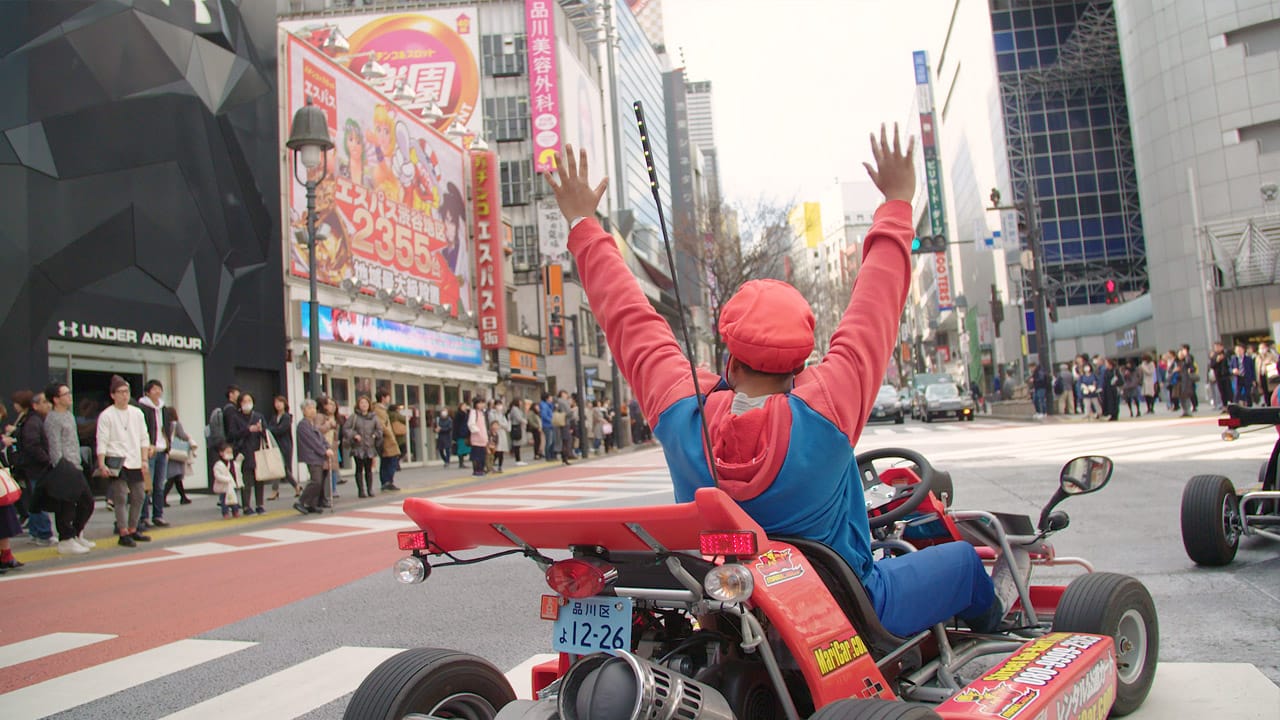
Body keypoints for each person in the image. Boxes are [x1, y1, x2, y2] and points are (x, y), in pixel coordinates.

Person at [544, 133, 1013, 637]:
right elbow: (876, 303)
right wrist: (897, 202)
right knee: (963, 561)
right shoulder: (827, 406)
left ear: (729, 358)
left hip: (726, 614)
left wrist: (583, 224)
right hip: (850, 613)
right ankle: (998, 634)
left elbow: (630, 319)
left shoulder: (683, 413)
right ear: (802, 365)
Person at [96, 376, 151, 546]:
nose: (124, 395)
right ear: (113, 395)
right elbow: (102, 440)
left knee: (139, 495)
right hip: (116, 459)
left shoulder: (137, 413)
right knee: (120, 497)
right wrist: (101, 463)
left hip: (135, 459)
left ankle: (134, 528)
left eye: (126, 392)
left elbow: (144, 437)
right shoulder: (107, 415)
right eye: (120, 392)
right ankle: (122, 531)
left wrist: (144, 459)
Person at [43, 383, 95, 554]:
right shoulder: (52, 419)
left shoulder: (68, 415)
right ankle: (66, 539)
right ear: (56, 399)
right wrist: (61, 467)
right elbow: (54, 446)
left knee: (87, 502)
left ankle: (76, 533)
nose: (69, 396)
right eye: (65, 394)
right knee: (66, 505)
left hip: (76, 465)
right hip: (65, 468)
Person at [10, 391, 54, 546]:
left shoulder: (29, 420)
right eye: (43, 401)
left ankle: (38, 532)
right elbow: (33, 444)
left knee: (35, 499)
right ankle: (43, 532)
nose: (47, 405)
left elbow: (30, 443)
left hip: (31, 466)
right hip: (36, 467)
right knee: (38, 499)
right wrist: (47, 460)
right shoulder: (33, 421)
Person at [136, 380, 171, 529]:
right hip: (149, 451)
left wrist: (168, 446)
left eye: (159, 389)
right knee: (147, 485)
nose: (158, 392)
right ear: (148, 392)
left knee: (159, 485)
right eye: (154, 389)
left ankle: (158, 515)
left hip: (162, 450)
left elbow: (167, 428)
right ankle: (144, 517)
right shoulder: (142, 408)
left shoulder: (163, 408)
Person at [225, 391, 267, 514]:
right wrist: (248, 430)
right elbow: (232, 435)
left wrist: (261, 429)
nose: (247, 404)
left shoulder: (258, 416)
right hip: (243, 451)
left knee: (260, 478)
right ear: (240, 404)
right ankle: (246, 506)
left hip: (258, 450)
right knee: (246, 479)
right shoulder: (236, 417)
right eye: (244, 401)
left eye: (249, 401)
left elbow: (266, 432)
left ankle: (260, 504)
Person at [294, 400, 333, 514]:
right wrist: (324, 450)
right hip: (311, 455)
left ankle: (312, 503)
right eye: (309, 408)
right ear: (303, 411)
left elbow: (321, 439)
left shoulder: (312, 424)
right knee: (316, 481)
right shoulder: (303, 425)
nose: (312, 411)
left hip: (318, 456)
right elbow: (313, 442)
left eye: (313, 408)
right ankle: (301, 501)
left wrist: (328, 447)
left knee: (319, 481)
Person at [344, 395, 381, 498]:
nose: (364, 405)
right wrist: (354, 435)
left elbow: (379, 430)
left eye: (366, 403)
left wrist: (375, 435)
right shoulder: (354, 417)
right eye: (361, 403)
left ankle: (370, 489)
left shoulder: (374, 418)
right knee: (359, 469)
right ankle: (361, 490)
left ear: (369, 405)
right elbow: (346, 428)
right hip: (358, 447)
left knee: (369, 469)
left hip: (370, 446)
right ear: (358, 405)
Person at [266, 395, 298, 500]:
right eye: (276, 403)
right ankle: (296, 487)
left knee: (283, 468)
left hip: (285, 445)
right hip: (275, 445)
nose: (278, 405)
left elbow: (281, 430)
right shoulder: (274, 417)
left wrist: (272, 429)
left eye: (280, 402)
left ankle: (278, 490)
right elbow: (269, 428)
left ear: (285, 404)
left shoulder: (287, 417)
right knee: (279, 468)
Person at [163, 406, 195, 506]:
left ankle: (183, 497)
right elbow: (181, 435)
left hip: (169, 451)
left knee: (177, 477)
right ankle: (162, 497)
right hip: (177, 453)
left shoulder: (164, 425)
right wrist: (188, 437)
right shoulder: (176, 424)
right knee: (174, 476)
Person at [210, 441, 243, 518]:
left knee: (234, 500)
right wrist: (226, 479)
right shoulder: (218, 464)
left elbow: (237, 471)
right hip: (223, 487)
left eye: (231, 452)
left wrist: (239, 461)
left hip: (231, 486)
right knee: (224, 501)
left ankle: (235, 512)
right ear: (221, 453)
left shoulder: (232, 463)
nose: (230, 454)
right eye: (227, 452)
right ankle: (225, 513)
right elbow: (217, 475)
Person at [467, 397, 489, 477]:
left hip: (483, 439)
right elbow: (471, 424)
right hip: (476, 438)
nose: (482, 405)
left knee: (482, 455)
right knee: (476, 456)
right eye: (480, 403)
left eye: (483, 403)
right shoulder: (473, 412)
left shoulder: (482, 413)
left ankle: (481, 469)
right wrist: (478, 431)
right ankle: (476, 470)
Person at [490, 399, 510, 473]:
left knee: (501, 451)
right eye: (498, 405)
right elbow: (494, 423)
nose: (499, 406)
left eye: (500, 404)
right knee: (495, 450)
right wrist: (500, 425)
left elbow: (506, 425)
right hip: (495, 433)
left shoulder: (502, 414)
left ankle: (500, 466)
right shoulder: (492, 413)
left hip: (502, 433)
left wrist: (501, 424)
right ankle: (490, 465)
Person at [507, 399, 528, 465]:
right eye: (520, 401)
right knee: (517, 444)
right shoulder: (515, 409)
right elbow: (518, 418)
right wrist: (525, 421)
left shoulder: (514, 409)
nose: (521, 403)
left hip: (516, 427)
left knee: (517, 444)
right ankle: (518, 460)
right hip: (516, 427)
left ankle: (518, 459)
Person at [452, 401, 471, 470]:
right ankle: (461, 463)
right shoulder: (459, 414)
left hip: (465, 433)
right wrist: (454, 436)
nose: (465, 407)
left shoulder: (466, 414)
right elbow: (456, 425)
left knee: (465, 448)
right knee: (461, 449)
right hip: (460, 434)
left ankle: (462, 462)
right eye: (463, 406)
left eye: (465, 406)